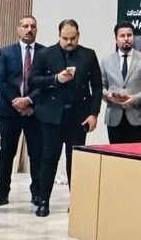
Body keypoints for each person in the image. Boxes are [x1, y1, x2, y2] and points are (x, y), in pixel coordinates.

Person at [28, 20, 100, 216]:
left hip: (78, 116)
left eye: (73, 38)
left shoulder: (88, 55)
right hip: (51, 116)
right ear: (59, 36)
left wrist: (94, 114)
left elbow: (97, 86)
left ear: (79, 35)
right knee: (48, 159)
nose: (69, 42)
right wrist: (55, 79)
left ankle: (75, 201)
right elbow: (33, 80)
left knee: (75, 160)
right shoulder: (45, 54)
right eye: (65, 38)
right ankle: (43, 201)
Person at [0, 17, 41, 207]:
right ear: (18, 29)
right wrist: (17, 102)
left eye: (32, 26)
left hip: (35, 112)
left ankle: (37, 193)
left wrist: (28, 101)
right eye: (25, 26)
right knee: (6, 153)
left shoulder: (45, 53)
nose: (29, 29)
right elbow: (0, 81)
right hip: (9, 110)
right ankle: (2, 193)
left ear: (36, 29)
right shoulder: (5, 52)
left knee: (37, 154)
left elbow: (46, 83)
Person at [102, 24, 141, 144]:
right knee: (115, 154)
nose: (126, 38)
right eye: (122, 36)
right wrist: (108, 96)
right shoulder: (106, 61)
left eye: (129, 35)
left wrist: (135, 98)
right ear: (116, 39)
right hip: (114, 118)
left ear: (133, 37)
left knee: (136, 155)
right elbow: (100, 87)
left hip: (138, 117)